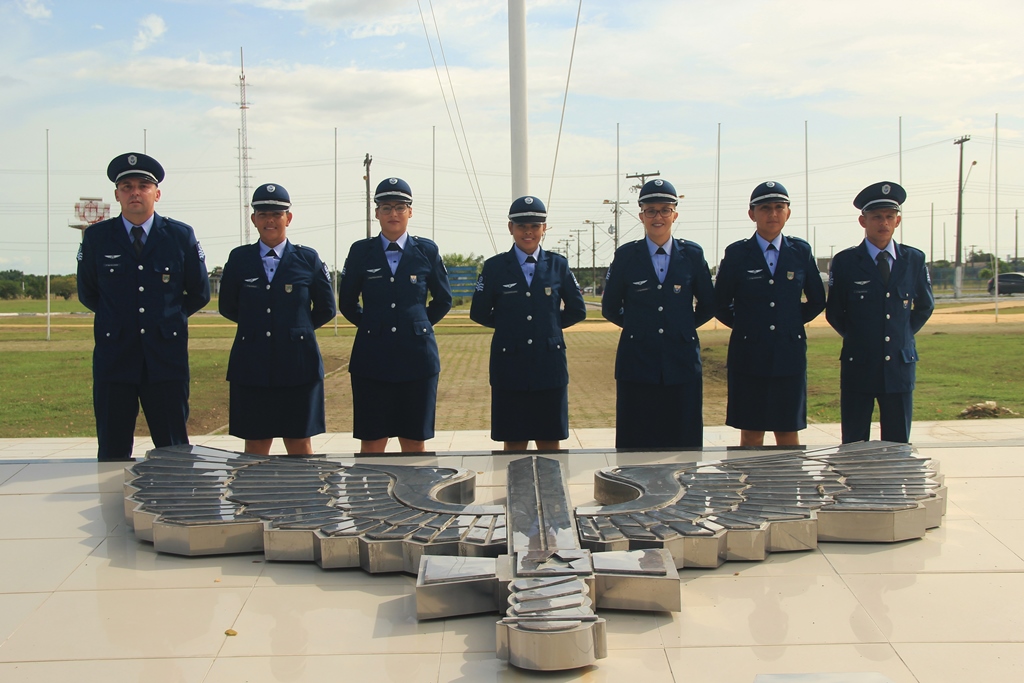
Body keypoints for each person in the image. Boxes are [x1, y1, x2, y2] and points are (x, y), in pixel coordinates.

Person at [77, 152, 210, 461]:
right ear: (117, 195)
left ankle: (174, 505)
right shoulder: (98, 237)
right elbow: (88, 292)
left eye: (142, 186)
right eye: (126, 186)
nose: (134, 192)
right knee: (113, 449)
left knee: (174, 448)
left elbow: (199, 292)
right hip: (115, 355)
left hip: (165, 356)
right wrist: (117, 318)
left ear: (157, 193)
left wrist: (168, 320)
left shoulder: (179, 235)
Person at [218, 184, 336, 456]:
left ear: (288, 218)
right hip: (252, 363)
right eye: (262, 215)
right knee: (256, 442)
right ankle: (256, 499)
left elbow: (326, 308)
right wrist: (259, 328)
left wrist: (295, 330)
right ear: (254, 219)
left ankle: (303, 497)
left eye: (276, 214)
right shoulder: (239, 259)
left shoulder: (307, 258)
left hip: (298, 364)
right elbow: (228, 306)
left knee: (299, 442)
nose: (269, 221)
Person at [337, 177, 452, 453]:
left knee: (414, 442)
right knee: (373, 441)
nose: (393, 214)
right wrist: (372, 326)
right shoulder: (361, 251)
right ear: (376, 212)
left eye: (400, 207)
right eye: (386, 207)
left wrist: (417, 325)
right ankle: (370, 497)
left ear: (410, 212)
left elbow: (443, 299)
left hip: (417, 358)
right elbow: (348, 303)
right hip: (372, 357)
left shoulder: (426, 250)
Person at [601, 178, 715, 449]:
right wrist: (639, 328)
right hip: (637, 362)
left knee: (684, 445)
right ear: (641, 215)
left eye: (665, 209)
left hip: (682, 361)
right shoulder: (626, 256)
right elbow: (610, 307)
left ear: (675, 214)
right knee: (636, 444)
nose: (658, 217)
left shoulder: (692, 255)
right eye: (651, 210)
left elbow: (709, 304)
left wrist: (683, 327)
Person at [469, 196, 587, 450]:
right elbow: (478, 312)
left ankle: (551, 491)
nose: (528, 232)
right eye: (522, 226)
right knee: (513, 441)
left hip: (549, 364)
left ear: (544, 228)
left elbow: (577, 310)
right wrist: (510, 326)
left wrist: (550, 326)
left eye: (535, 226)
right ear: (510, 228)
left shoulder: (558, 265)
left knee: (550, 441)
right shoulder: (495, 267)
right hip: (510, 364)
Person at [714, 181, 826, 447]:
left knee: (788, 432)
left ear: (788, 212)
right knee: (751, 434)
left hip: (789, 354)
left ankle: (787, 487)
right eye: (765, 208)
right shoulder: (737, 253)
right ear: (752, 214)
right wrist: (748, 326)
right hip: (748, 354)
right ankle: (749, 489)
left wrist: (789, 322)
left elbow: (816, 300)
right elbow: (720, 304)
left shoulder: (800, 251)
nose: (772, 214)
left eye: (779, 207)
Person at [825, 181, 935, 443]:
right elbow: (835, 312)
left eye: (889, 217)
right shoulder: (846, 262)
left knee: (898, 444)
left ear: (898, 221)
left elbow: (925, 305)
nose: (883, 223)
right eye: (876, 217)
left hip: (899, 363)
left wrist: (902, 334)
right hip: (859, 363)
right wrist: (860, 337)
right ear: (863, 221)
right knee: (854, 441)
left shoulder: (914, 259)